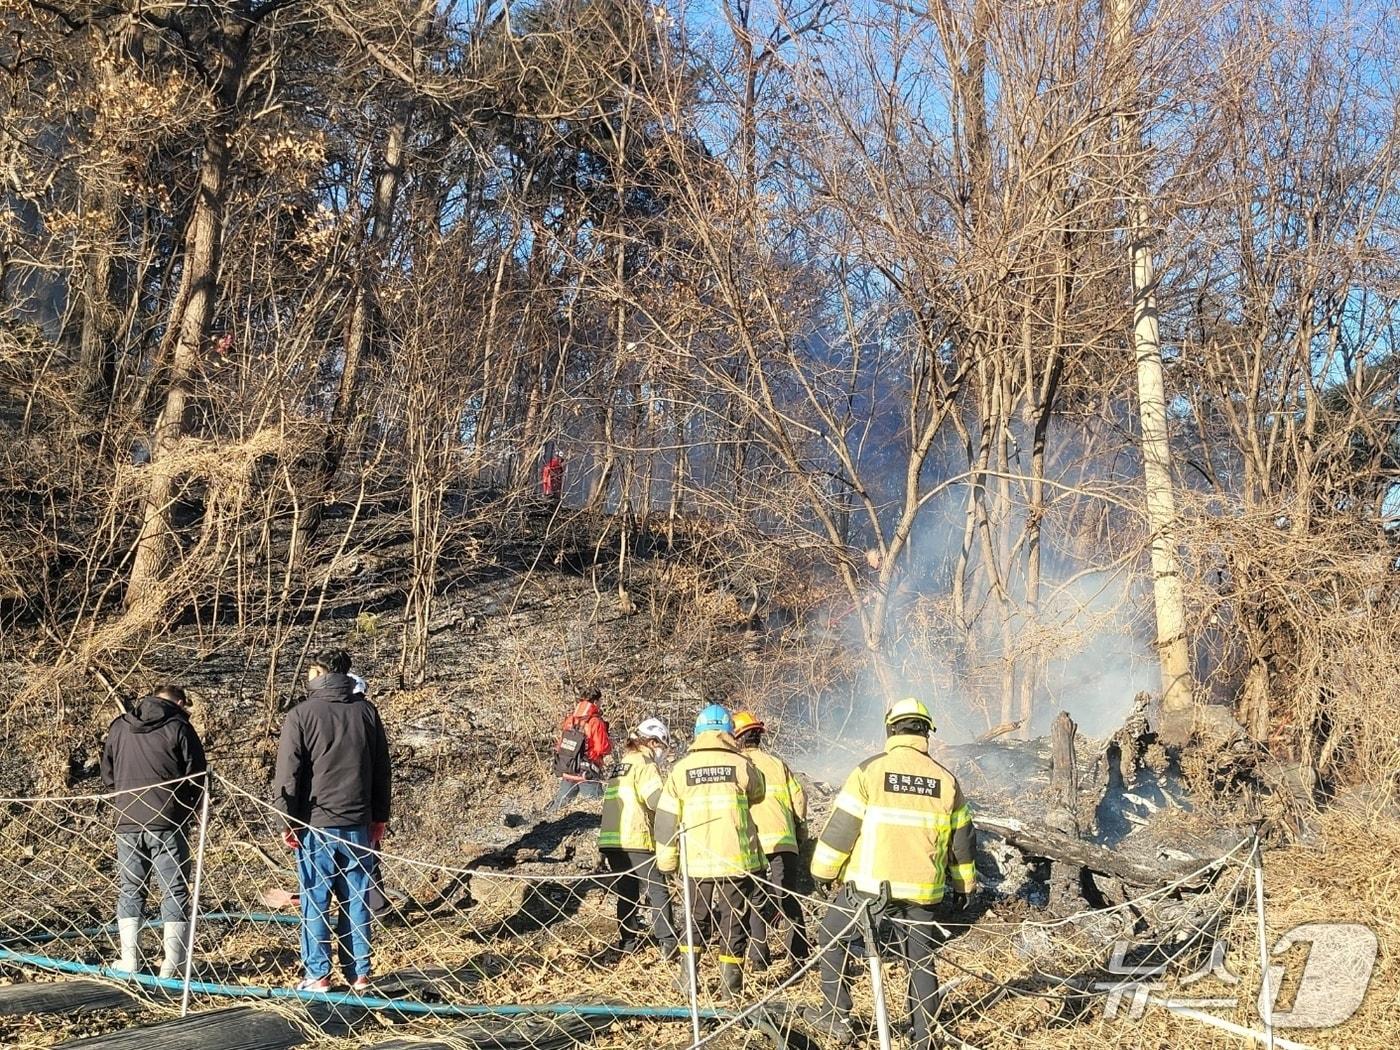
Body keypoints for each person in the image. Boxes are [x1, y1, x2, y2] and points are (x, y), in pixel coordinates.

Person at [806, 698, 977, 1050]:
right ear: (926, 732)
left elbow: (841, 830)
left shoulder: (869, 771)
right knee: (921, 959)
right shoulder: (946, 781)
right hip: (923, 892)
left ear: (891, 729)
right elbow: (962, 841)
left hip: (869, 889)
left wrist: (822, 871)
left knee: (831, 938)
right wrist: (964, 885)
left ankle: (835, 1016)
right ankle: (924, 1036)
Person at [274, 648, 392, 992]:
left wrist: (287, 820)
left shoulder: (301, 714)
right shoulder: (366, 711)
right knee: (357, 897)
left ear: (319, 673)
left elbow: (288, 775)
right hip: (357, 822)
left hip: (315, 823)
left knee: (316, 899)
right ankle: (360, 974)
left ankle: (318, 974)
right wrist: (379, 816)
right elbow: (381, 769)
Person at [654, 703, 766, 999]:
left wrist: (667, 862)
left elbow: (665, 821)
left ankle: (687, 982)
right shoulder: (742, 765)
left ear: (698, 733)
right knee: (733, 923)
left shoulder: (680, 770)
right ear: (730, 732)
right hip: (736, 861)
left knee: (694, 919)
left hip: (696, 861)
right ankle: (731, 989)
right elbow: (759, 792)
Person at [101, 684, 207, 978]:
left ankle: (129, 961)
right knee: (173, 890)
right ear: (181, 703)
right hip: (168, 821)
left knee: (131, 889)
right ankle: (173, 965)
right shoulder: (179, 727)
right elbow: (197, 776)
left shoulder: (120, 726)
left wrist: (124, 798)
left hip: (127, 821)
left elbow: (107, 776)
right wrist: (187, 810)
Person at [731, 710, 812, 972]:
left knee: (754, 899)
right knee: (788, 896)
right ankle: (797, 957)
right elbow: (800, 800)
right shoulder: (778, 764)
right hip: (783, 841)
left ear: (737, 738)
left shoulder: (736, 765)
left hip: (750, 843)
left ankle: (758, 958)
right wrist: (800, 833)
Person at [598, 718, 677, 959]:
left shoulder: (621, 765)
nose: (662, 752)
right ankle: (668, 942)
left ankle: (628, 941)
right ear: (652, 742)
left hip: (613, 842)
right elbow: (656, 801)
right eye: (662, 745)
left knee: (627, 891)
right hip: (636, 838)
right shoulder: (644, 764)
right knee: (657, 888)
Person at [547, 686, 612, 811]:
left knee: (558, 807)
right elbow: (602, 748)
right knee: (600, 808)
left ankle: (543, 823)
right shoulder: (595, 722)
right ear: (595, 702)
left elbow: (562, 743)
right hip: (587, 772)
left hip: (568, 768)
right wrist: (610, 743)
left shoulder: (571, 719)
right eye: (600, 701)